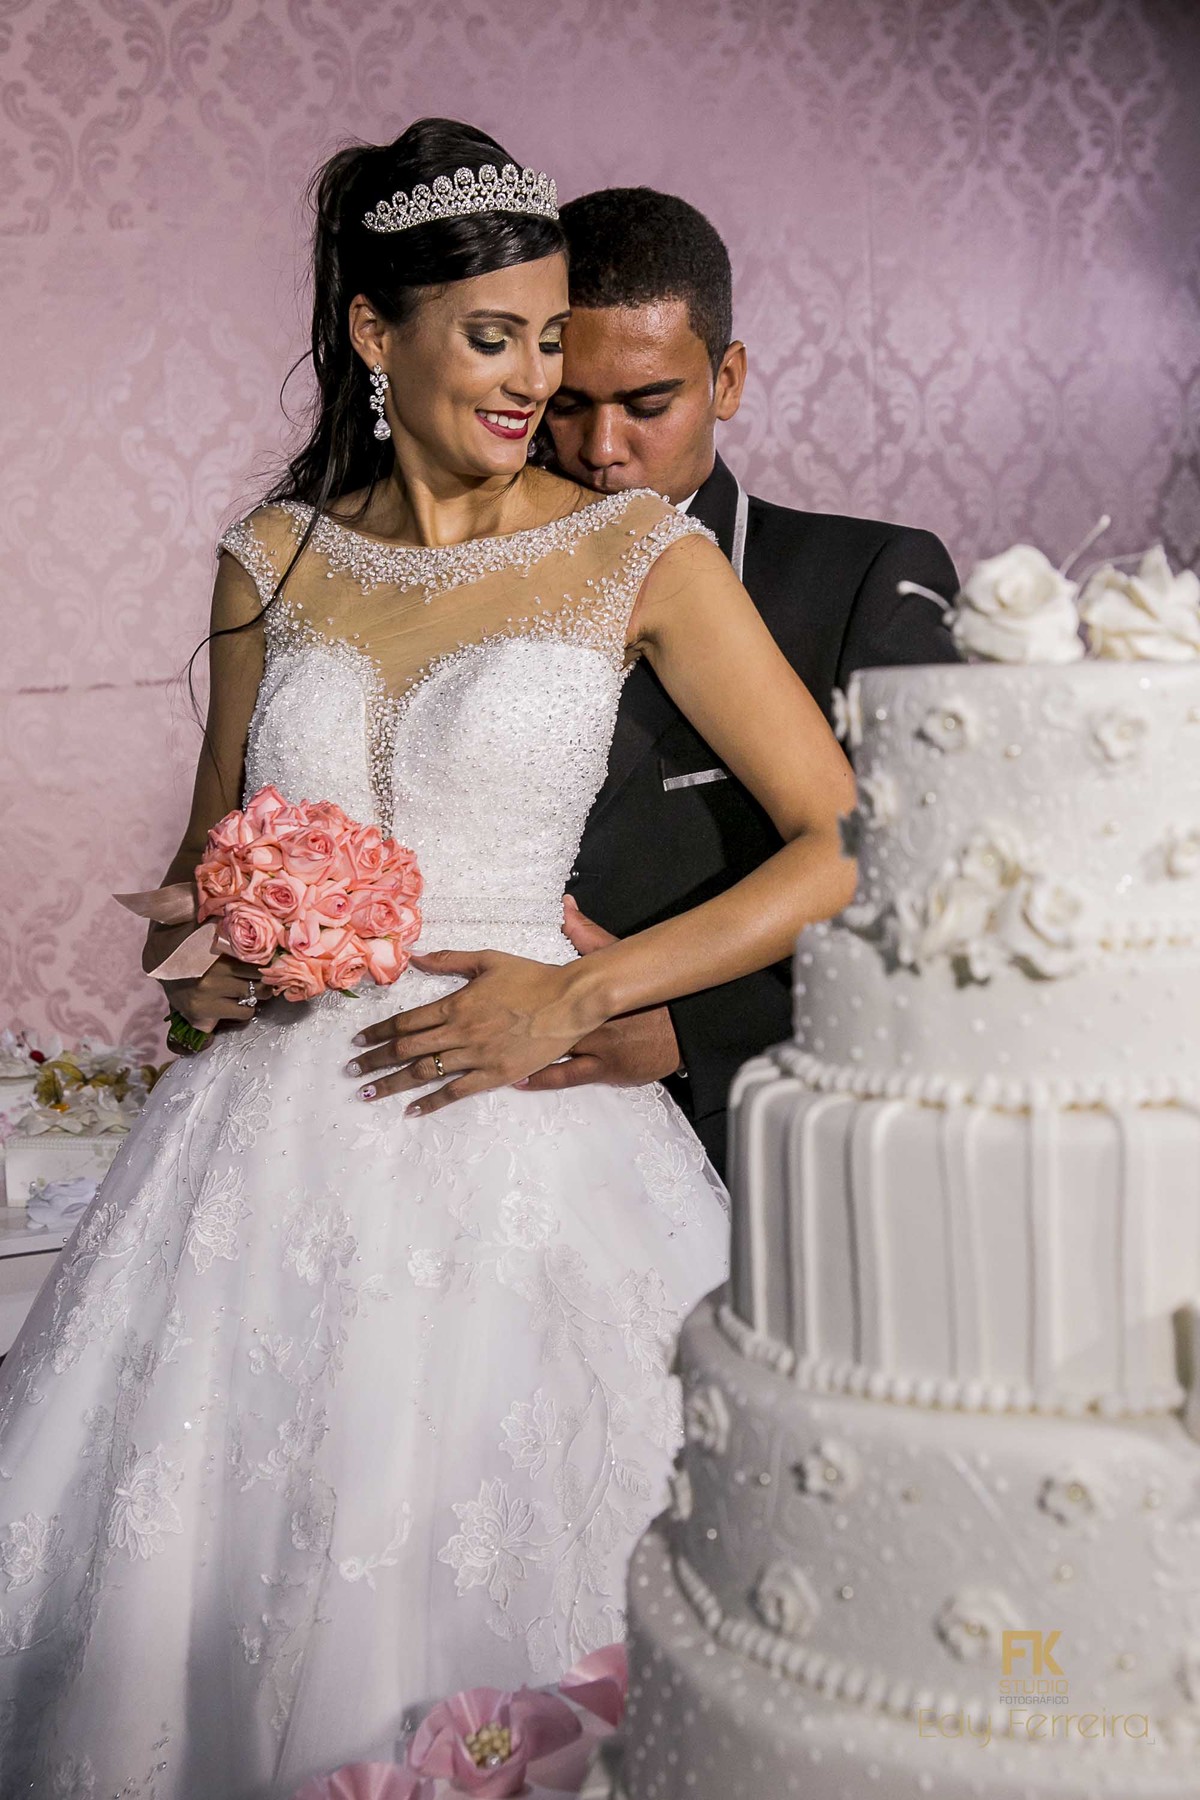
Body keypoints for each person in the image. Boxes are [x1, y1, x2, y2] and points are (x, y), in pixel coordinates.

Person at [0, 123, 856, 1799]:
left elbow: (844, 841)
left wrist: (587, 990)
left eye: (550, 336)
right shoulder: (274, 559)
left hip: (525, 1124)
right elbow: (197, 890)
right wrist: (219, 966)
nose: (537, 378)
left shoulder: (637, 557)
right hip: (257, 1158)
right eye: (494, 337)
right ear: (379, 336)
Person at [529, 187, 960, 1176]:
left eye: (647, 404)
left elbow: (937, 884)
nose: (601, 450)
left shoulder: (869, 580)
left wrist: (697, 1029)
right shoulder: (457, 585)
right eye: (568, 405)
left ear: (726, 380)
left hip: (759, 1141)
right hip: (492, 1132)